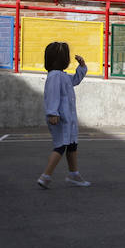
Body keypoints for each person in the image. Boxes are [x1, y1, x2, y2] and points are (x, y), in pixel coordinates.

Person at [37, 43, 90, 189]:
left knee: (72, 145)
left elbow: (75, 80)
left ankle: (74, 174)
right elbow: (52, 96)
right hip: (59, 119)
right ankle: (45, 176)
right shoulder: (54, 76)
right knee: (60, 146)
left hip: (68, 119)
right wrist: (52, 113)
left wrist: (82, 67)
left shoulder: (62, 76)